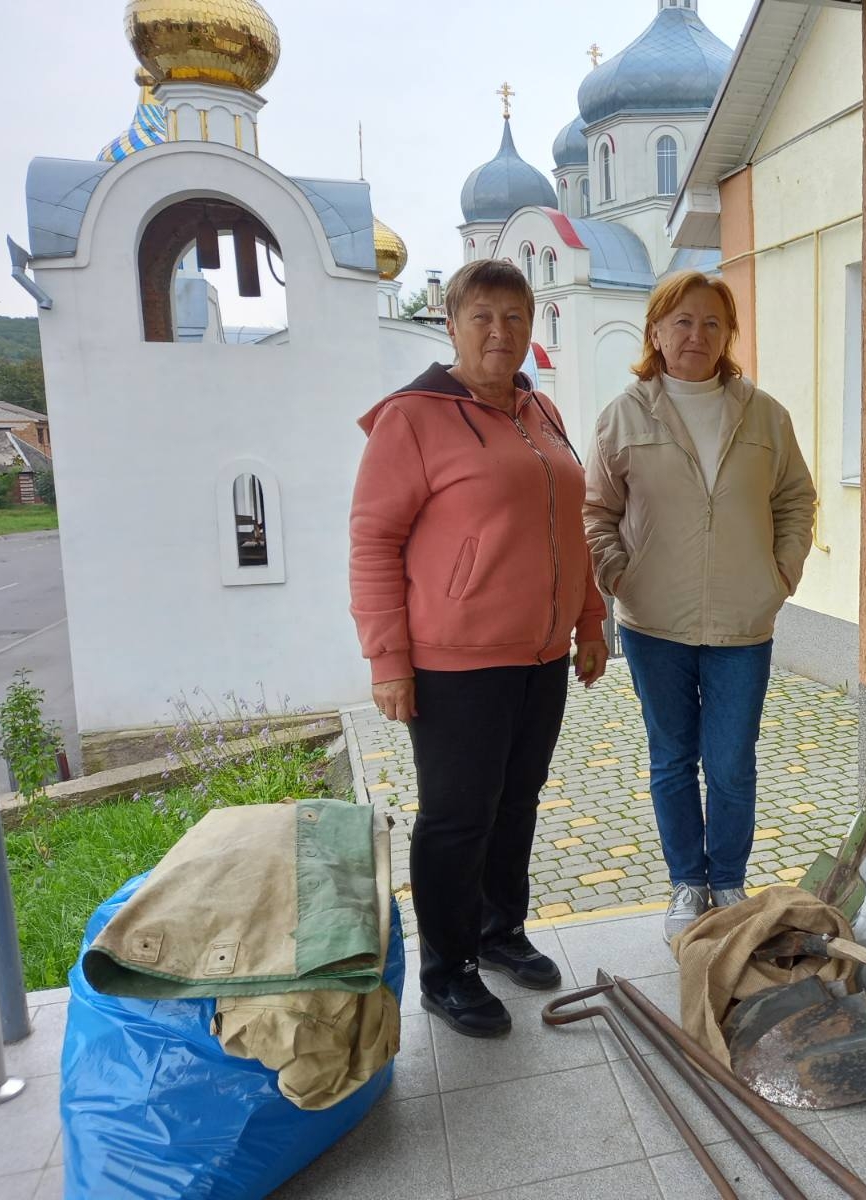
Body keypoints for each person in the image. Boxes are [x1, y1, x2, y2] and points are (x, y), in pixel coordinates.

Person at [349, 259, 609, 1037]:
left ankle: (500, 933)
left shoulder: (543, 411)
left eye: (515, 317)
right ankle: (448, 969)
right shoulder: (412, 418)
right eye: (483, 317)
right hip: (456, 661)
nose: (501, 332)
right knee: (457, 819)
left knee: (516, 804)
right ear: (453, 324)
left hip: (539, 659)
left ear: (532, 325)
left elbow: (572, 531)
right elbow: (372, 544)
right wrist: (387, 659)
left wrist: (590, 621)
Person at [584, 270, 816, 943]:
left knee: (732, 761)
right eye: (682, 321)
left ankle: (729, 879)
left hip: (745, 620)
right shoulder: (624, 414)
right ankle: (688, 883)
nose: (696, 334)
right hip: (655, 622)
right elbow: (597, 509)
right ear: (655, 332)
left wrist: (782, 570)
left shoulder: (764, 414)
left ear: (728, 336)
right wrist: (619, 573)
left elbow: (795, 497)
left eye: (712, 323)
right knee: (671, 758)